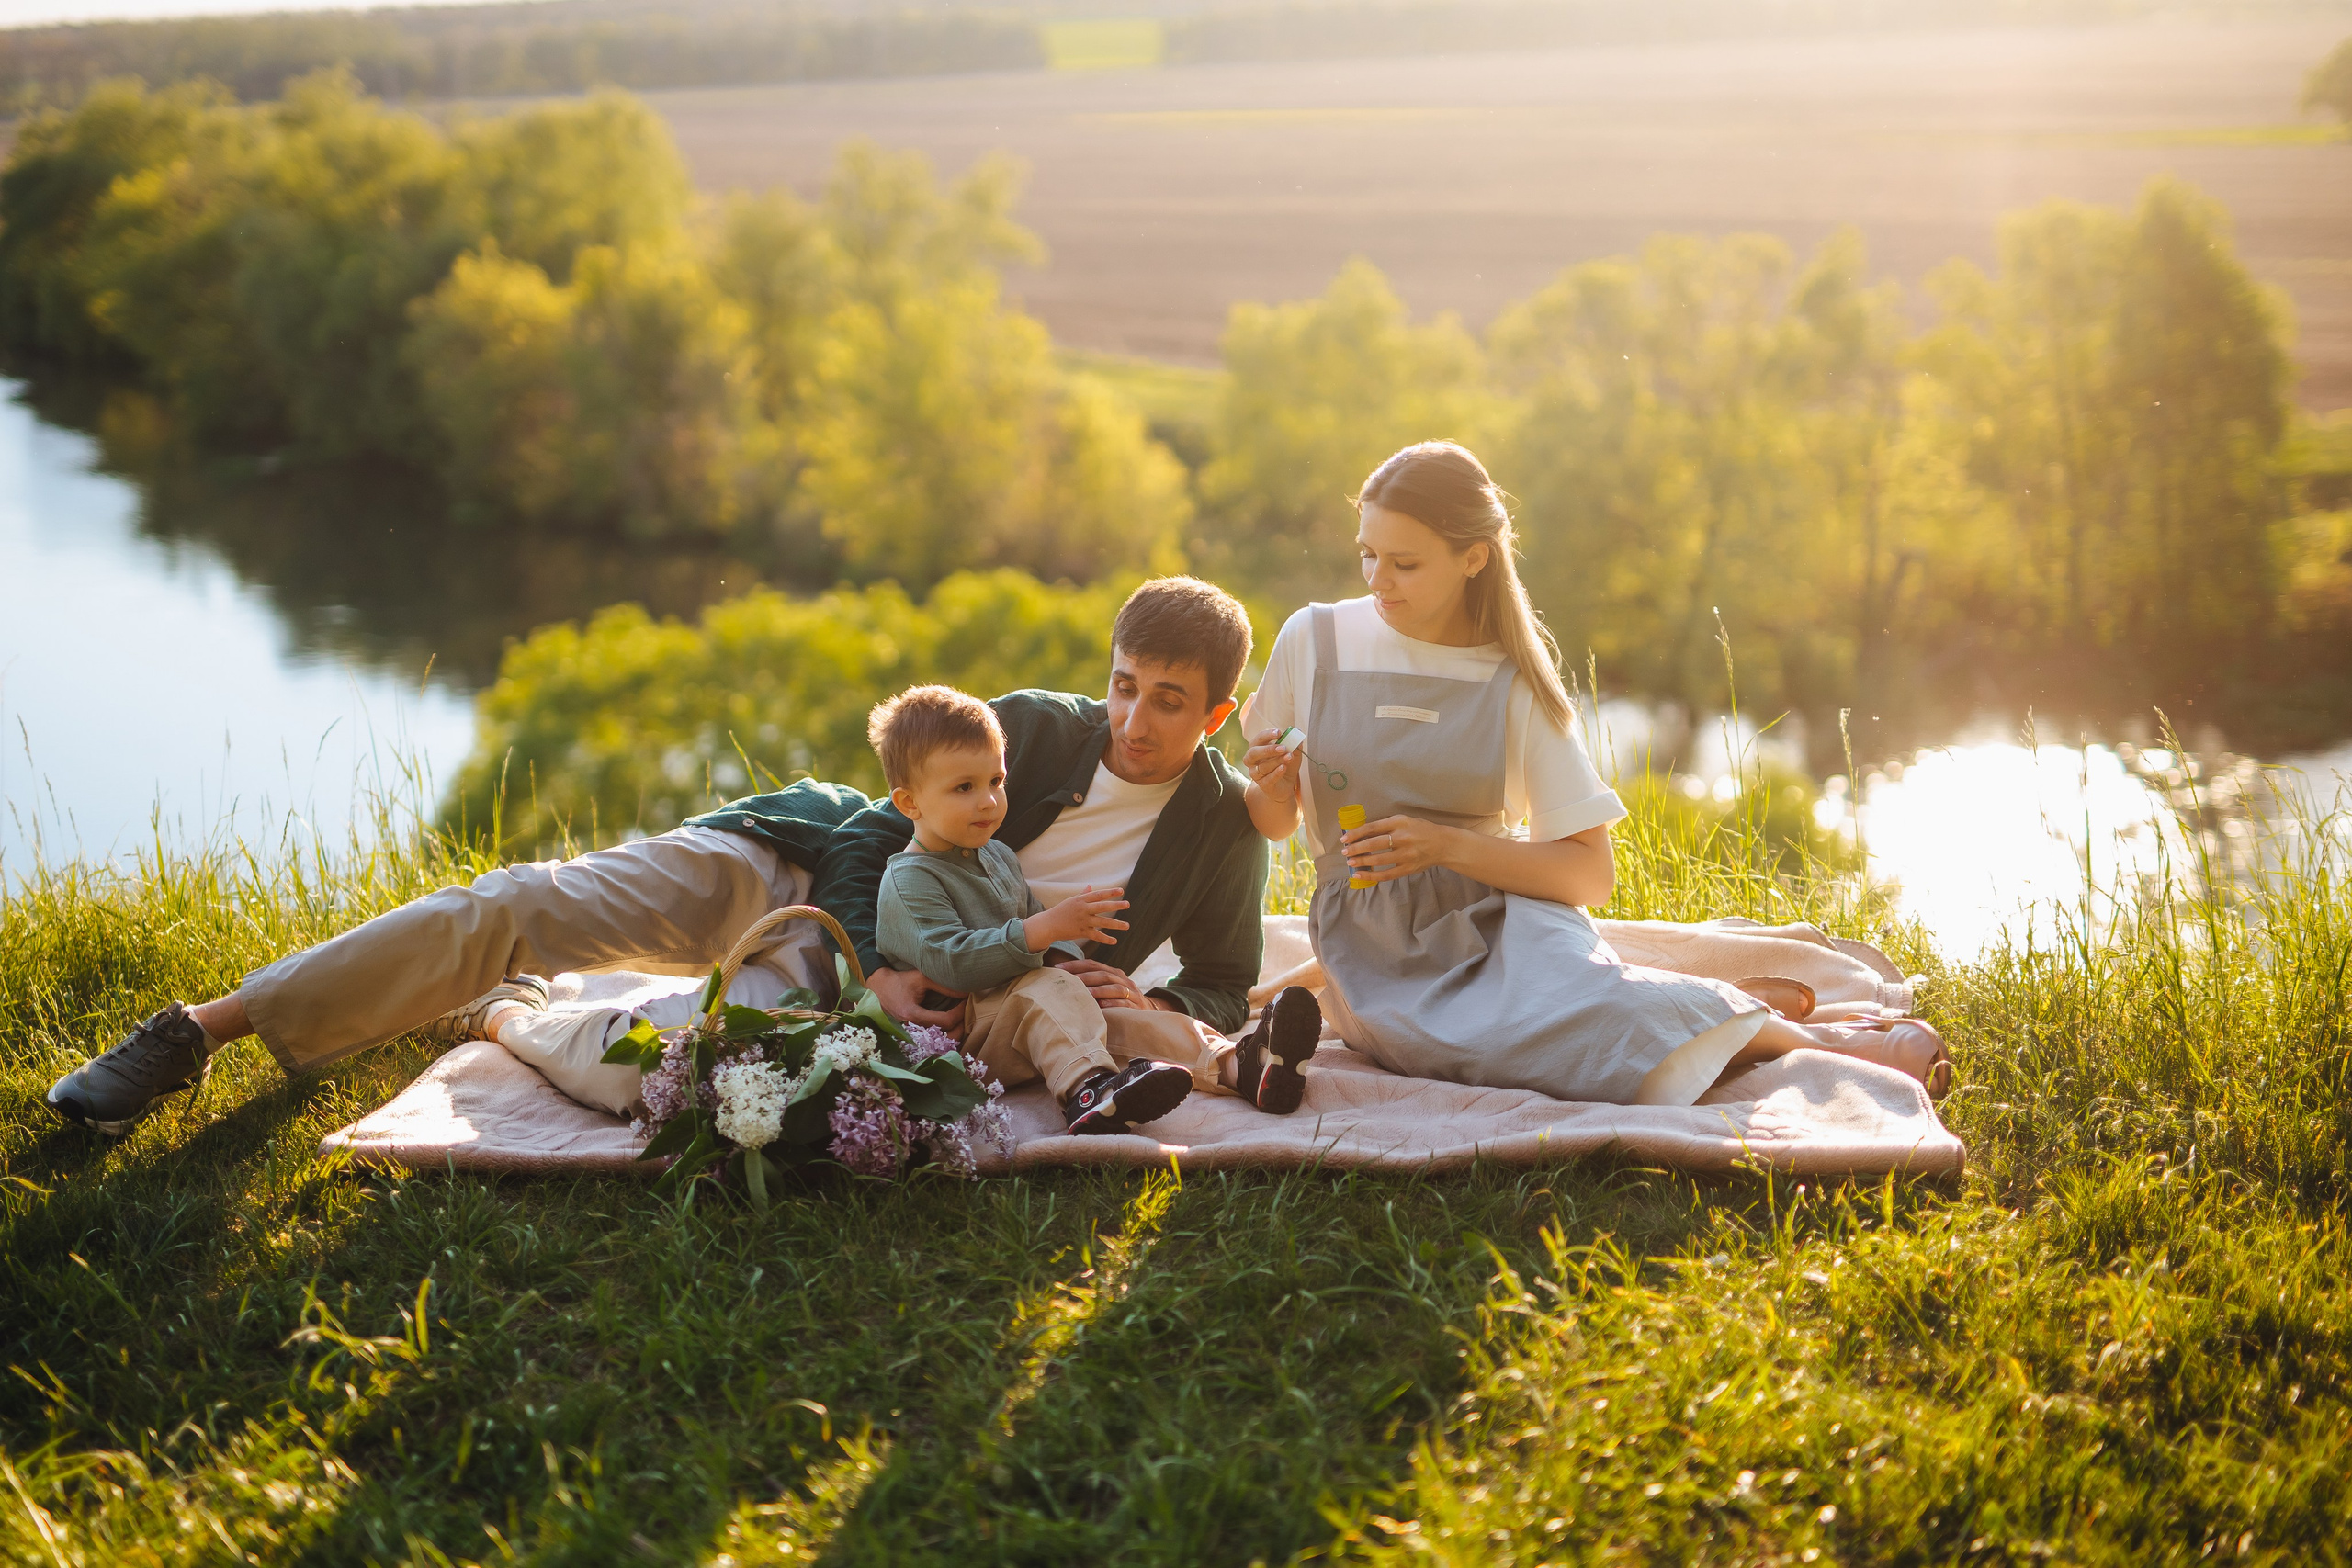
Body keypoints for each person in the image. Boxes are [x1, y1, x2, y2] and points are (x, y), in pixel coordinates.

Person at [45, 576, 1323, 1135]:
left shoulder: (1216, 821)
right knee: (516, 899)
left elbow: (1221, 975)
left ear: (1217, 711)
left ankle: (521, 1023)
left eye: (1168, 700)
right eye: (1124, 684)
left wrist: (1142, 1002)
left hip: (872, 981)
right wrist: (875, 960)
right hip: (798, 866)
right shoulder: (1038, 727)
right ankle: (200, 1028)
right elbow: (885, 823)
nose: (1134, 718)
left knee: (681, 1073)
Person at [1238, 440, 1950, 1107]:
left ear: (1474, 558)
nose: (1376, 579)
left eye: (1404, 562)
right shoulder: (1315, 639)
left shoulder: (1509, 680)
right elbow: (1277, 825)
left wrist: (1448, 846)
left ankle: (1826, 1042)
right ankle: (1721, 1006)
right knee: (1475, 1046)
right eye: (1367, 554)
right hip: (1372, 951)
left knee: (1589, 1010)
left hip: (1501, 920)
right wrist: (1271, 789)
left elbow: (1588, 875)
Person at [870, 685, 1314, 1134]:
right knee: (1045, 991)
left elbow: (1029, 909)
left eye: (996, 781)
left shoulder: (996, 855)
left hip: (1019, 1014)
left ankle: (1239, 1066)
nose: (987, 800)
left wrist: (1067, 962)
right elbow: (952, 961)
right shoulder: (910, 880)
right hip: (962, 1036)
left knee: (1105, 1016)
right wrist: (1043, 933)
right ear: (910, 802)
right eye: (964, 787)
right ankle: (1089, 1091)